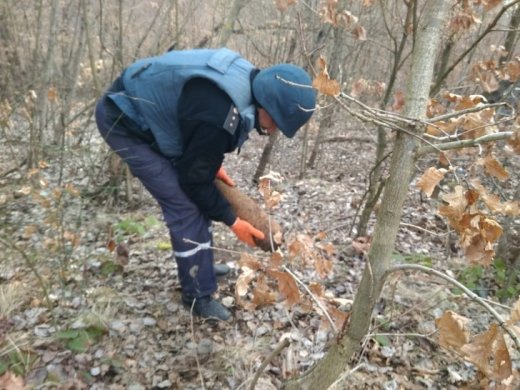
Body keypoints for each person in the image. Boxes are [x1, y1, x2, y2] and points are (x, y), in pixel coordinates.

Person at [95, 47, 316, 321]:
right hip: (124, 120)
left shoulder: (246, 83)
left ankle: (203, 263)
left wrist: (208, 164)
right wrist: (233, 221)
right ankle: (197, 295)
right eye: (277, 124)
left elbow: (196, 137)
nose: (274, 131)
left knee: (200, 191)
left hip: (149, 115)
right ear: (267, 105)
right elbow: (194, 180)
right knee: (185, 205)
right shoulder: (221, 114)